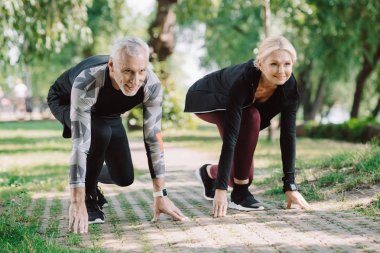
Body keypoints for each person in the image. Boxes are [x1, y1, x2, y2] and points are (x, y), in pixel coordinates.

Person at [47, 37, 187, 234]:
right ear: (112, 66)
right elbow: (81, 144)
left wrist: (160, 194)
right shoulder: (90, 79)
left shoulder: (151, 85)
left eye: (141, 71)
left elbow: (154, 138)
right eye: (127, 71)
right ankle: (89, 197)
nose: (135, 80)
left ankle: (87, 175)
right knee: (99, 132)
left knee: (124, 177)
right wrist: (76, 199)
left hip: (108, 113)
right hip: (66, 101)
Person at [184, 35, 311, 218]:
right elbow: (231, 140)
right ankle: (239, 194)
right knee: (251, 116)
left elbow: (288, 135)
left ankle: (209, 172)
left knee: (243, 174)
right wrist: (221, 190)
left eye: (287, 64)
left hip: (241, 109)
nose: (281, 70)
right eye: (274, 64)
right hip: (206, 98)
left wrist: (290, 186)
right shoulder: (245, 79)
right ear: (260, 63)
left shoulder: (289, 87)